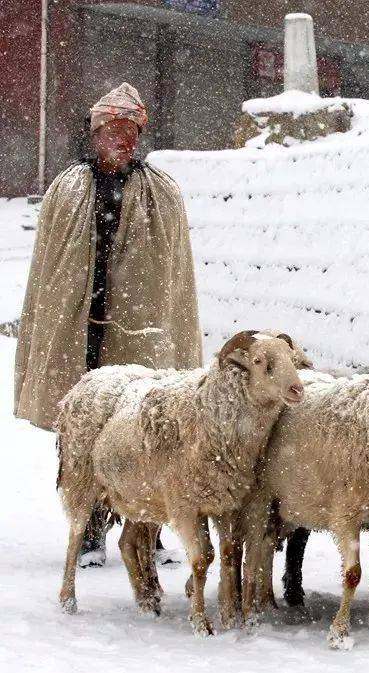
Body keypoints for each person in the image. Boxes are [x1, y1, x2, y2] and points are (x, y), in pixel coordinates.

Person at [14, 83, 203, 564]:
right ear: (96, 132)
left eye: (132, 130)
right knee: (85, 430)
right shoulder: (69, 188)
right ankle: (90, 524)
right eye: (115, 129)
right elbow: (51, 272)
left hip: (138, 330)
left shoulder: (161, 192)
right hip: (80, 329)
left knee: (146, 426)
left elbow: (171, 278)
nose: (126, 139)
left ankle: (149, 530)